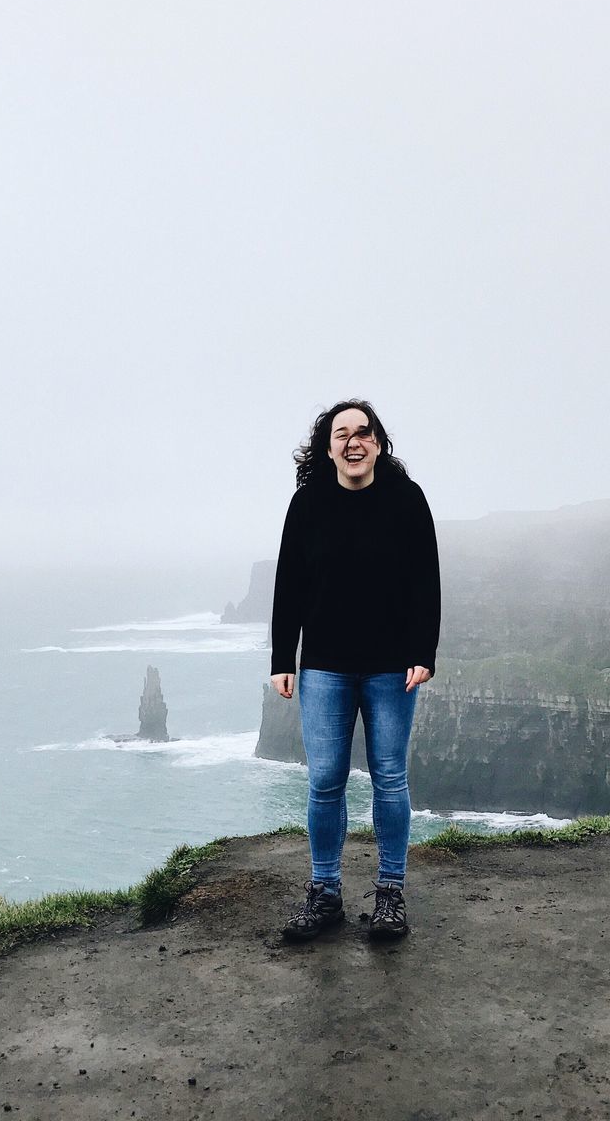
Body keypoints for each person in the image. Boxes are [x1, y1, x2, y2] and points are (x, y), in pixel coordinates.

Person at [270, 399, 440, 942]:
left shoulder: (407, 500)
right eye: (341, 433)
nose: (353, 441)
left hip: (392, 667)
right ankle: (325, 894)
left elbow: (425, 582)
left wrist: (423, 652)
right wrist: (282, 659)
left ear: (379, 444)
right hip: (323, 667)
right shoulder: (307, 504)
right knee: (324, 782)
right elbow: (288, 585)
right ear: (328, 449)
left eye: (363, 432)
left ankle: (390, 895)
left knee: (390, 778)